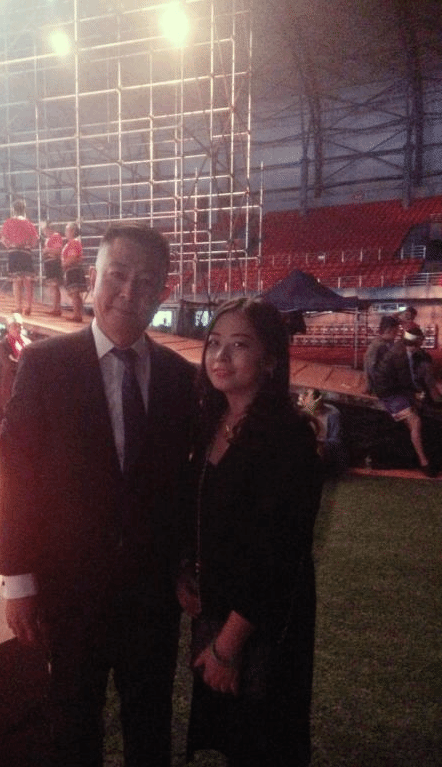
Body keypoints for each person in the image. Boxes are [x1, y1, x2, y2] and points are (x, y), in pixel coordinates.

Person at [0, 225, 196, 767]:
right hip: (70, 589)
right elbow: (18, 473)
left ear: (163, 290)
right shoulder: (45, 364)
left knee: (149, 725)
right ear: (93, 279)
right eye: (117, 276)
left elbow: (184, 486)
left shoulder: (180, 379)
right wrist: (18, 580)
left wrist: (187, 563)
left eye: (146, 282)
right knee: (73, 723)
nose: (129, 293)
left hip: (152, 596)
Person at [177, 298, 322, 767]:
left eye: (239, 345)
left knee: (264, 742)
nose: (220, 357)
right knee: (231, 738)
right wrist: (186, 572)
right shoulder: (211, 422)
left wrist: (228, 645)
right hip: (217, 610)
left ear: (270, 360)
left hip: (262, 623)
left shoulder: (289, 436)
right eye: (214, 343)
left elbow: (280, 552)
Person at [373, 323, 437, 476]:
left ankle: (418, 456)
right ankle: (424, 462)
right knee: (415, 421)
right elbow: (405, 382)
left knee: (414, 422)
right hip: (389, 393)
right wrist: (418, 394)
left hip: (396, 390)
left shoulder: (404, 349)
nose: (423, 343)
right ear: (417, 341)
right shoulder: (400, 356)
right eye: (421, 340)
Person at [0, 200, 39, 316]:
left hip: (14, 252)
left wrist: (10, 245)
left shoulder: (9, 222)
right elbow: (35, 240)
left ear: (13, 209)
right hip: (26, 253)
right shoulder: (29, 223)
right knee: (28, 280)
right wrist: (28, 245)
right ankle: (29, 306)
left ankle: (18, 306)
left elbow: (3, 238)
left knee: (16, 280)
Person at [299, 388, 348, 476]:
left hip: (325, 450)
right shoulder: (303, 413)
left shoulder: (332, 414)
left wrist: (320, 444)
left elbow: (336, 440)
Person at [0, 313, 31, 413]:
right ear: (8, 328)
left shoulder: (28, 343)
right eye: (14, 326)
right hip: (10, 384)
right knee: (10, 411)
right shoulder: (2, 345)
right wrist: (23, 365)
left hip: (26, 384)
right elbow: (8, 365)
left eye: (20, 326)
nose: (18, 329)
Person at [363, 315, 399, 395]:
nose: (396, 334)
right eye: (395, 332)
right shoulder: (378, 346)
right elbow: (371, 369)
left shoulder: (387, 343)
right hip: (381, 390)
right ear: (388, 330)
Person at [62, 221, 85, 322]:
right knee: (75, 294)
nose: (65, 232)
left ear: (72, 231)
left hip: (73, 270)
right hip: (72, 270)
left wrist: (63, 264)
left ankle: (77, 314)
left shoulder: (73, 243)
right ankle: (78, 314)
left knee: (74, 293)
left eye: (67, 230)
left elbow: (73, 257)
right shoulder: (72, 243)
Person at [42, 221, 64, 316]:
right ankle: (55, 307)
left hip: (54, 264)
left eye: (45, 230)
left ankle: (56, 308)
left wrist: (48, 250)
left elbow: (58, 251)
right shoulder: (49, 238)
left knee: (54, 286)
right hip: (49, 263)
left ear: (49, 229)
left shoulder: (56, 236)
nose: (44, 232)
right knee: (52, 286)